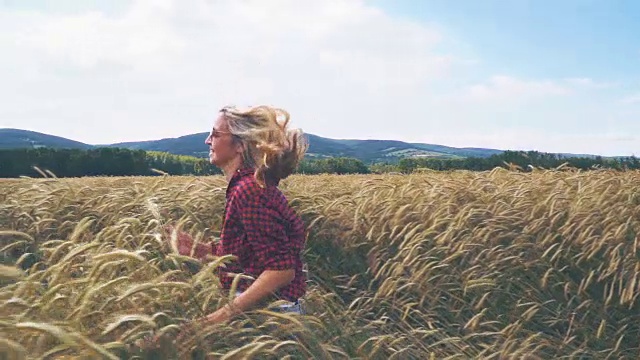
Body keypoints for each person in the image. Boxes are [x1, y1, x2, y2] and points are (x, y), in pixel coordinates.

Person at [168, 105, 309, 325]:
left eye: (215, 134)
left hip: (270, 319)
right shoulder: (247, 187)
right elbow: (249, 259)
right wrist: (200, 251)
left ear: (240, 145)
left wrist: (218, 317)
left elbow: (282, 270)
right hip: (266, 313)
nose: (208, 141)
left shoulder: (249, 190)